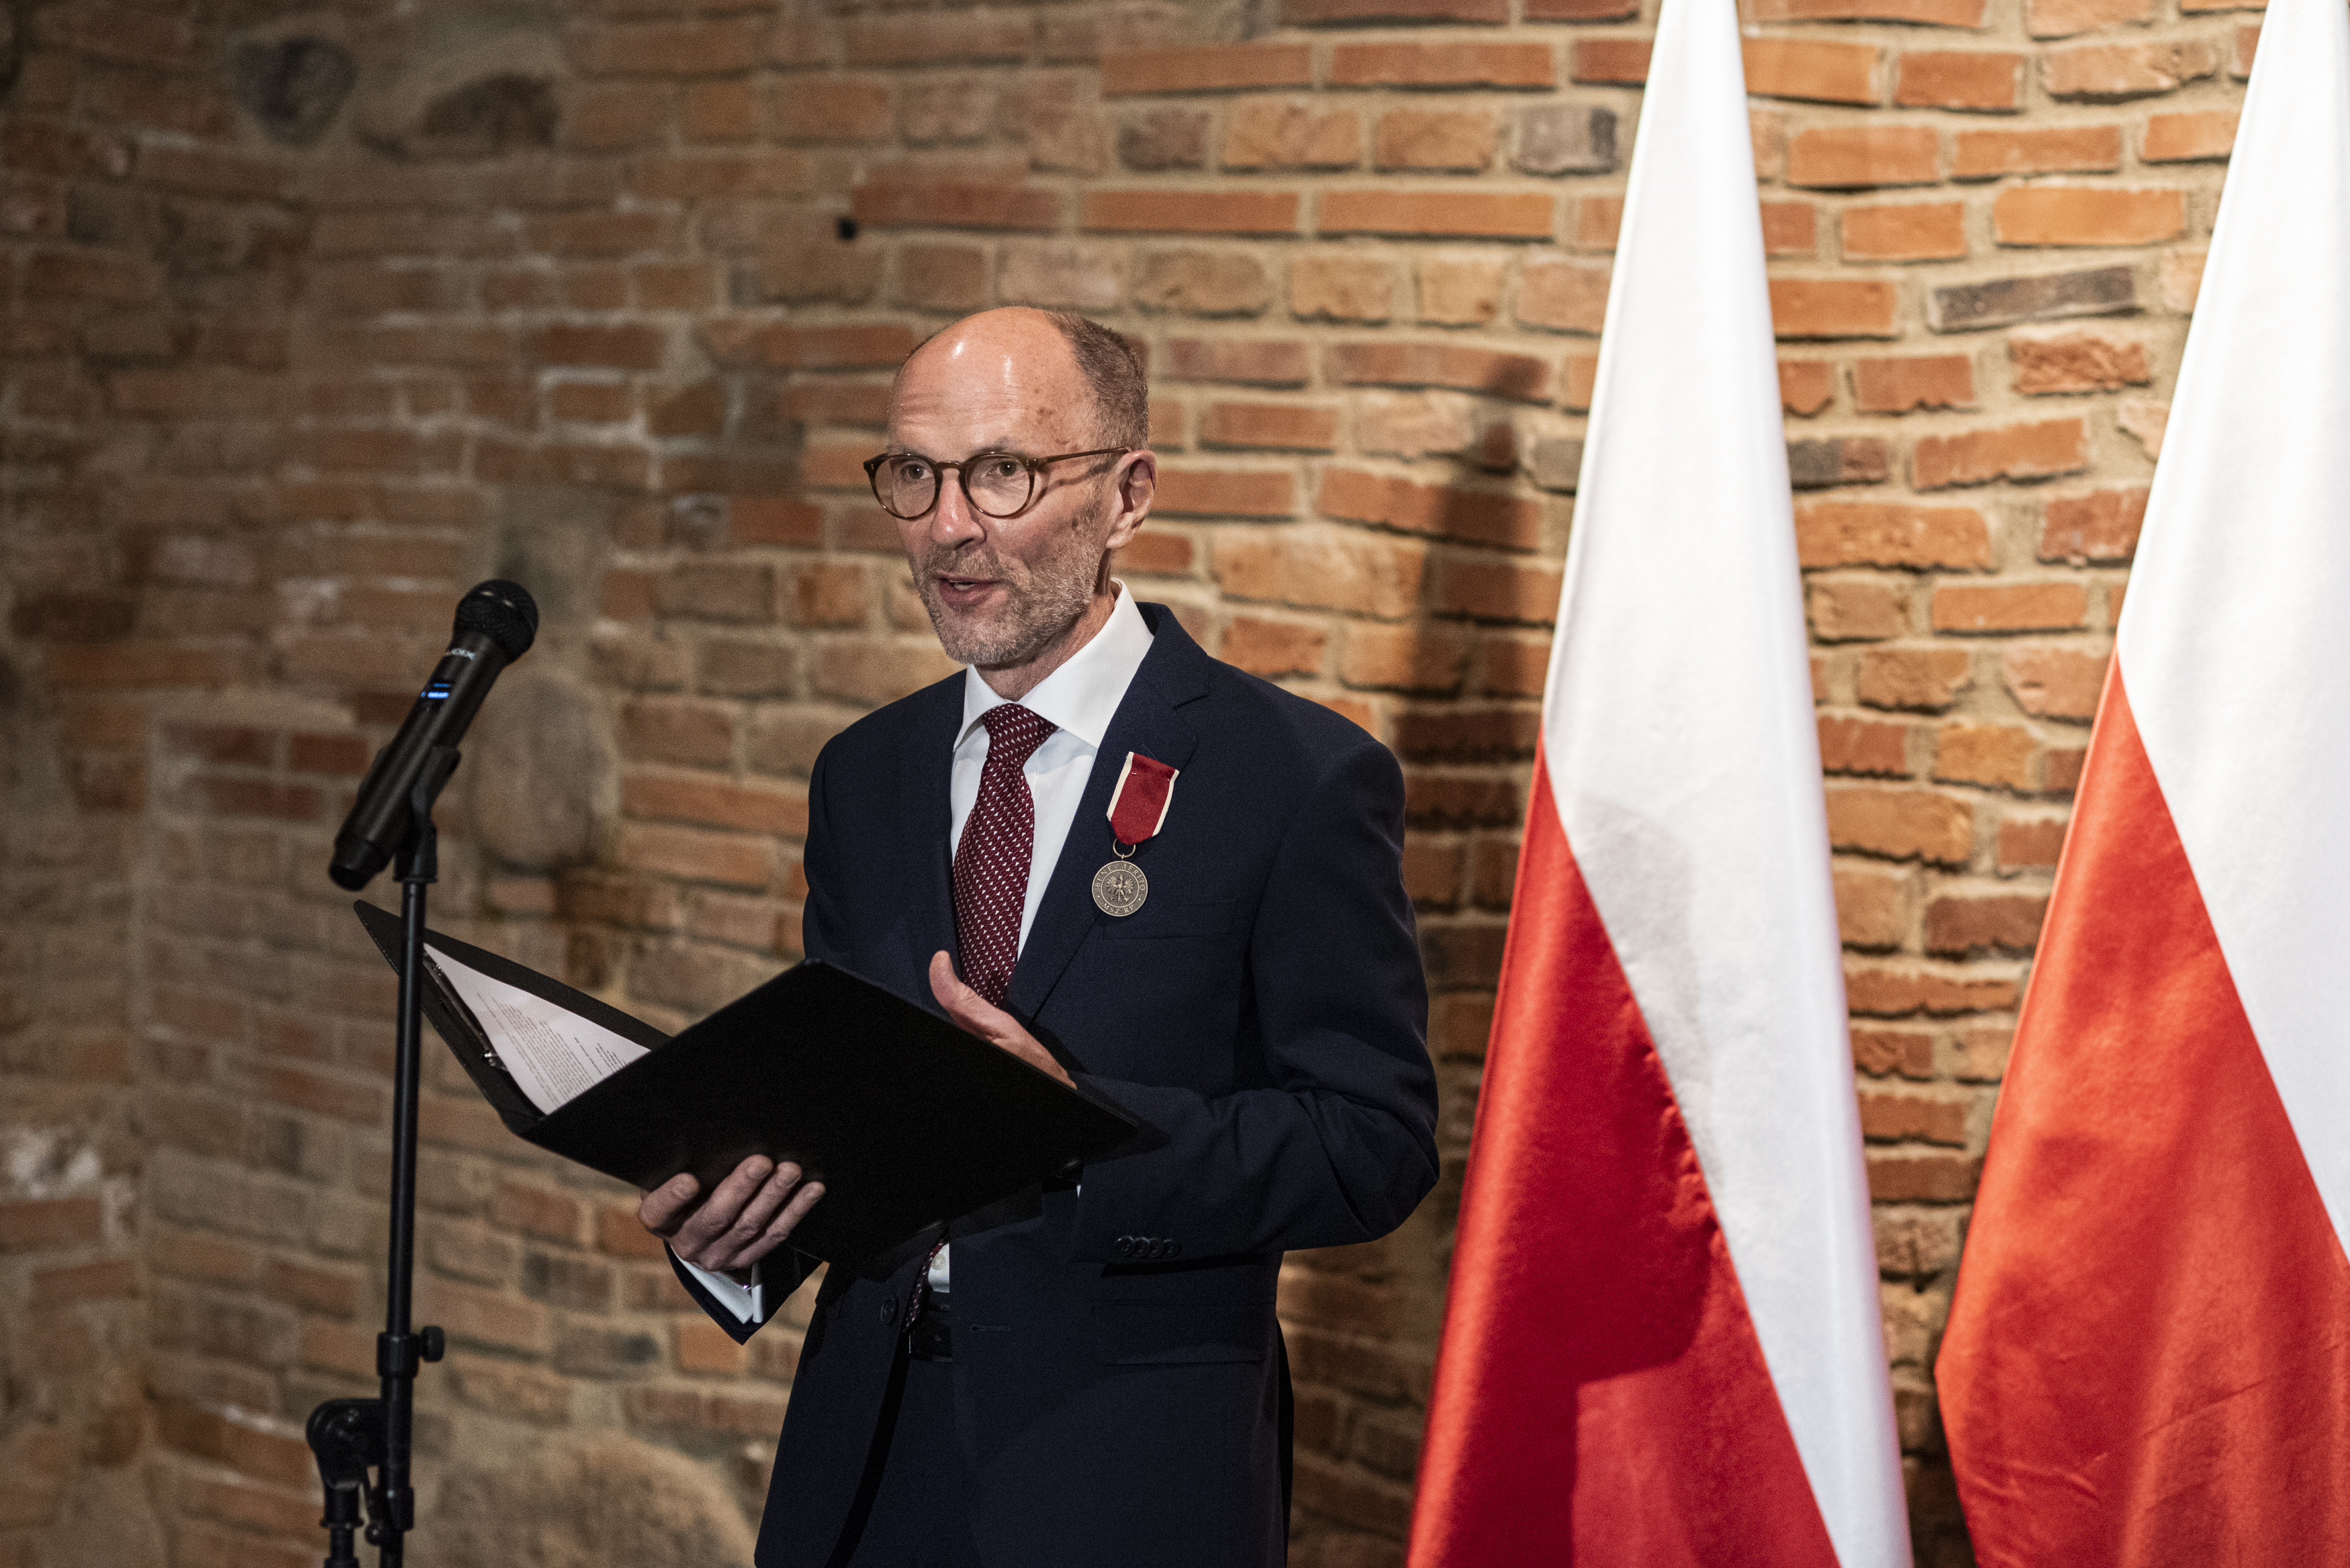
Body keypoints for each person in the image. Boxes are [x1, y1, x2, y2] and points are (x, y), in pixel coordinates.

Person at [638, 306, 1438, 1568]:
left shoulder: (1292, 778)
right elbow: (860, 1109)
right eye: (914, 475)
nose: (949, 525)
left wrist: (1075, 1135)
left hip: (1130, 1470)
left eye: (1003, 473)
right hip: (868, 1452)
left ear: (1128, 495)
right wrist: (748, 1227)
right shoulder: (868, 772)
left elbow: (1372, 1147)